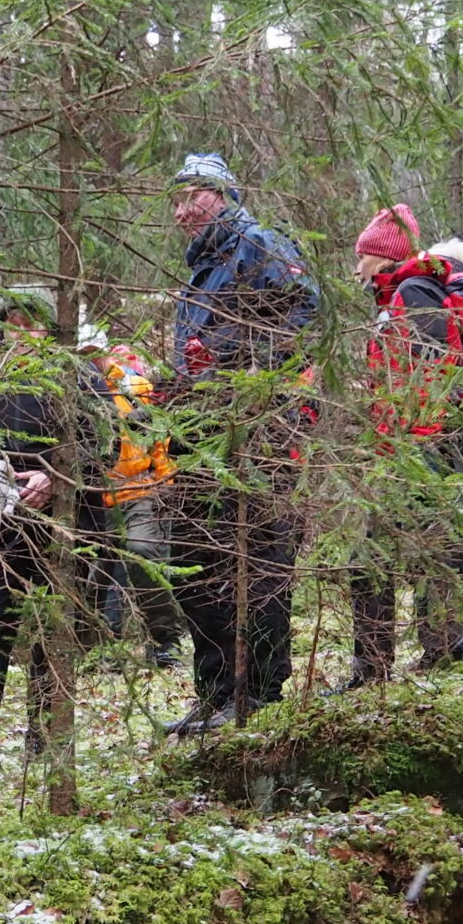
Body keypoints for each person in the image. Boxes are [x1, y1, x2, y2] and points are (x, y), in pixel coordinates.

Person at [159, 152, 321, 733]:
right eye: (176, 202)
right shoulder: (200, 269)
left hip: (254, 432)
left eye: (192, 198)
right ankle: (214, 691)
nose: (181, 212)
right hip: (199, 434)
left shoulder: (258, 245)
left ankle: (255, 692)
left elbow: (306, 314)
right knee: (193, 559)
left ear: (222, 195)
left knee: (257, 559)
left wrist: (240, 371)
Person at [0, 285, 112, 776]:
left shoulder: (79, 376)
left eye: (29, 322)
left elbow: (104, 443)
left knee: (55, 628)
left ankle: (46, 734)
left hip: (70, 524)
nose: (20, 332)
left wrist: (53, 475)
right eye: (11, 322)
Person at [339, 205, 463, 689]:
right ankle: (442, 649)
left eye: (363, 257)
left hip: (421, 447)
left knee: (376, 554)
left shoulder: (413, 293)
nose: (357, 269)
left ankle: (377, 666)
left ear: (385, 257)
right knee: (439, 544)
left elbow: (432, 372)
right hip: (424, 445)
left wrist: (409, 438)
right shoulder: (409, 293)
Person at [88, 331, 183, 667]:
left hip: (138, 490)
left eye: (95, 352)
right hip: (90, 496)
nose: (91, 360)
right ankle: (98, 649)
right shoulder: (73, 391)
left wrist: (165, 479)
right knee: (95, 574)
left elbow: (159, 438)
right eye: (84, 353)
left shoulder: (134, 387)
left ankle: (164, 642)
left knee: (143, 554)